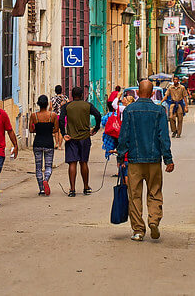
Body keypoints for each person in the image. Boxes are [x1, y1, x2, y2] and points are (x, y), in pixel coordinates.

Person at [116, 80, 175, 242]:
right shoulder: (159, 111)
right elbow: (163, 137)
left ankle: (138, 230)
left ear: (137, 93)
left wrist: (121, 156)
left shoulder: (129, 110)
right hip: (154, 160)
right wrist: (168, 159)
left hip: (134, 160)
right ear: (152, 94)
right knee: (155, 191)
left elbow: (124, 136)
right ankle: (154, 220)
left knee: (134, 195)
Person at [58, 86, 102, 197]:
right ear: (82, 95)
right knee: (83, 162)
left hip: (71, 138)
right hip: (84, 138)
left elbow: (61, 120)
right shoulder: (88, 105)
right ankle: (86, 187)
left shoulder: (67, 106)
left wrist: (63, 133)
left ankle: (72, 189)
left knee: (72, 163)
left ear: (72, 95)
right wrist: (96, 128)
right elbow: (98, 115)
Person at [29, 95, 61, 196]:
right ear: (47, 104)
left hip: (37, 143)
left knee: (38, 167)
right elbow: (56, 129)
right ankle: (46, 179)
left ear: (38, 104)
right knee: (48, 166)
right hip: (49, 143)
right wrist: (49, 130)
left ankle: (41, 189)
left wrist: (38, 130)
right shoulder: (53, 116)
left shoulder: (34, 116)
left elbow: (31, 130)